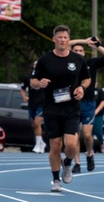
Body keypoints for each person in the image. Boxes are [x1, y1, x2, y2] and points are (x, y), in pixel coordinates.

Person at [31, 26, 90, 191]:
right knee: (55, 145)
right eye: (59, 37)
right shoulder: (45, 60)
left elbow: (86, 79)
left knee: (71, 145)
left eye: (65, 37)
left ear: (68, 39)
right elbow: (33, 81)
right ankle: (56, 180)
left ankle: (68, 162)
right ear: (54, 39)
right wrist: (39, 83)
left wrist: (82, 89)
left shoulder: (78, 60)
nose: (62, 40)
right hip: (52, 108)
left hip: (71, 108)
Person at [69, 37, 104, 172]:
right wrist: (83, 40)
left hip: (88, 103)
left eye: (81, 50)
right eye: (75, 50)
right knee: (74, 135)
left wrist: (94, 46)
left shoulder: (91, 63)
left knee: (87, 135)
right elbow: (62, 43)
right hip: (73, 103)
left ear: (84, 53)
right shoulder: (68, 64)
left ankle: (89, 153)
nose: (78, 52)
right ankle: (77, 163)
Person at [20, 60, 46, 153]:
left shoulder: (45, 77)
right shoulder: (28, 77)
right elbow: (22, 88)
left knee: (37, 123)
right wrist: (24, 97)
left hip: (42, 103)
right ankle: (41, 142)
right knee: (34, 125)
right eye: (35, 64)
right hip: (32, 103)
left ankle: (38, 144)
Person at [92, 85, 104, 152]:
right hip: (87, 114)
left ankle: (102, 143)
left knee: (97, 130)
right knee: (89, 132)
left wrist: (96, 111)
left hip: (98, 114)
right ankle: (90, 148)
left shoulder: (100, 91)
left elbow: (103, 101)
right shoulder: (86, 90)